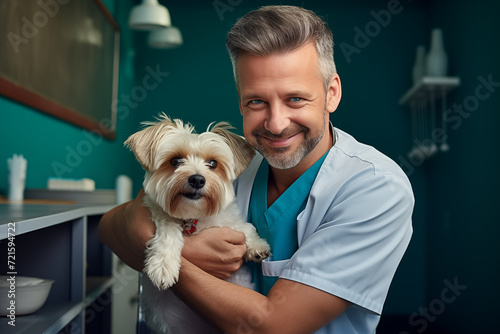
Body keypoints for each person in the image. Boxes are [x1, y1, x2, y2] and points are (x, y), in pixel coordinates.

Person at [98, 5, 414, 333]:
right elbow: (109, 227)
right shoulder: (233, 166)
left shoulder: (377, 187)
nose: (276, 125)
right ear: (240, 103)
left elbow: (271, 326)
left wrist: (178, 257)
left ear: (331, 93)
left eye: (295, 99)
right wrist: (165, 240)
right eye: (256, 102)